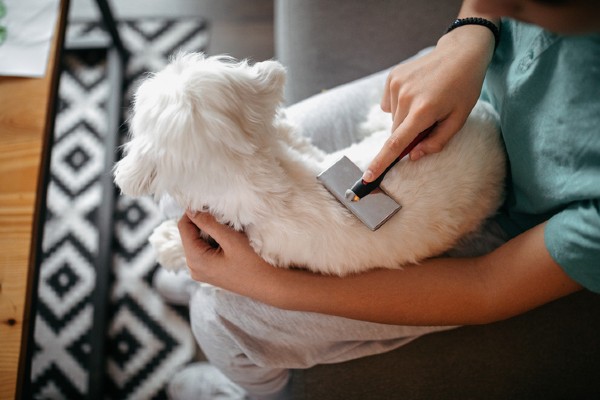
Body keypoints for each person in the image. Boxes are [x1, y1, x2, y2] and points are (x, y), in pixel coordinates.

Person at [167, 0, 600, 398]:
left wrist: (271, 286)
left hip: (496, 219)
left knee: (220, 318)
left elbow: (486, 287)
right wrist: (474, 26)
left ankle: (249, 389)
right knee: (200, 175)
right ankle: (189, 268)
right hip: (456, 83)